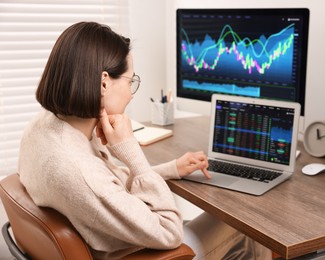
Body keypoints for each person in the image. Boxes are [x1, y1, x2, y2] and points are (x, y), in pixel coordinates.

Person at [18, 21, 271, 259]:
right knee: (248, 224)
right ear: (104, 83)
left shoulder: (46, 126)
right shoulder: (81, 171)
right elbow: (170, 231)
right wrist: (131, 151)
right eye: (131, 81)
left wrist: (170, 169)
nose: (131, 94)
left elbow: (110, 185)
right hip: (147, 251)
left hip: (118, 233)